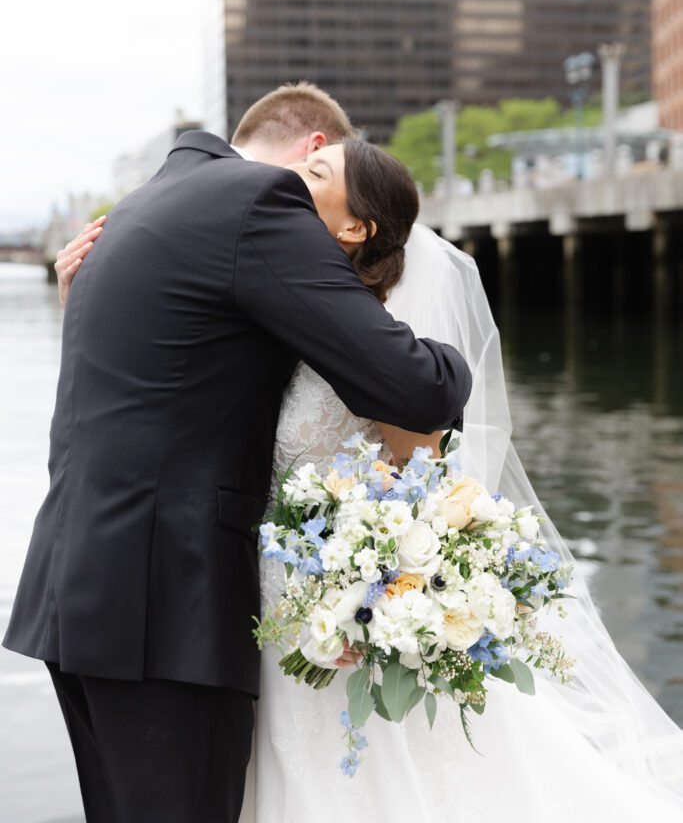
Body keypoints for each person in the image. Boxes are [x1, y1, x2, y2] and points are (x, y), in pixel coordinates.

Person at [55, 122, 683, 819]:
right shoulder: (263, 307)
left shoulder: (375, 345)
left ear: (355, 226)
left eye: (317, 173)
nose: (292, 178)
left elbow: (422, 485)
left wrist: (373, 594)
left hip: (313, 615)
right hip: (243, 607)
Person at [3, 82, 473, 823]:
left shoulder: (141, 206)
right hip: (163, 609)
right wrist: (452, 360)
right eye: (318, 171)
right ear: (313, 149)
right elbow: (415, 389)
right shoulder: (256, 204)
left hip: (81, 591)